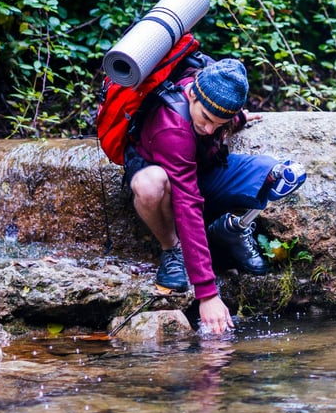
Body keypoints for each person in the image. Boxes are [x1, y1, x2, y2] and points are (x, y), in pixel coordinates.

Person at [122, 58, 305, 334]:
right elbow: (187, 203)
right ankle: (173, 250)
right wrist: (206, 293)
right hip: (168, 190)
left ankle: (231, 229)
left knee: (281, 174)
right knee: (150, 184)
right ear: (192, 94)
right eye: (205, 119)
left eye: (217, 123)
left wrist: (238, 119)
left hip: (202, 173)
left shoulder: (215, 104)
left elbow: (219, 123)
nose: (209, 129)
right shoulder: (171, 126)